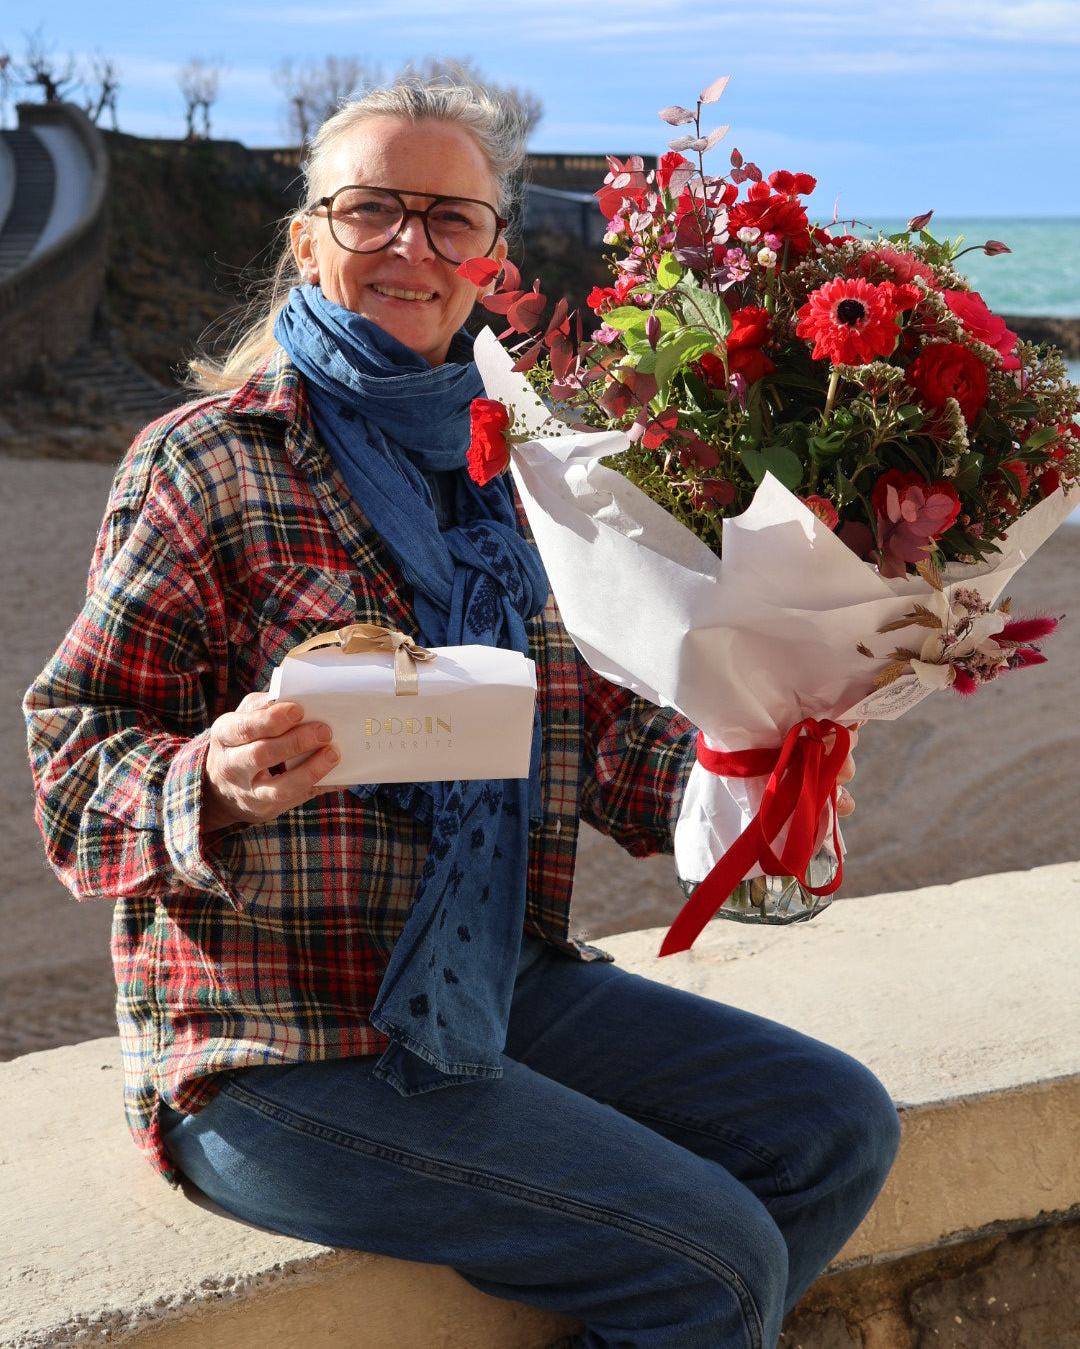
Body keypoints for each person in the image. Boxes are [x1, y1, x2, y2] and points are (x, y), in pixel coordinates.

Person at [25, 77, 899, 1349]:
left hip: (498, 986)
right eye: (371, 209)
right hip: (275, 1046)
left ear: (492, 257)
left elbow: (607, 737)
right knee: (708, 1265)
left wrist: (770, 750)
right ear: (308, 236)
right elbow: (69, 756)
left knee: (833, 1130)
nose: (407, 248)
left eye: (449, 220)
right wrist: (208, 775)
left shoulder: (533, 481)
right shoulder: (207, 461)